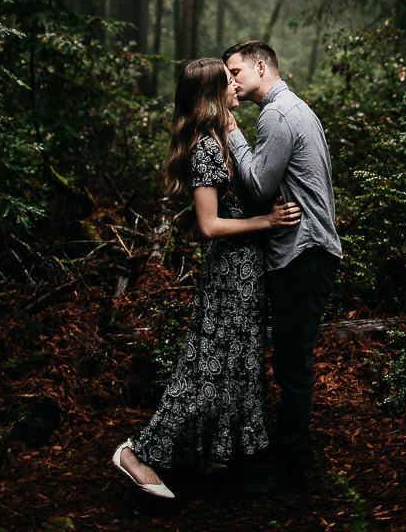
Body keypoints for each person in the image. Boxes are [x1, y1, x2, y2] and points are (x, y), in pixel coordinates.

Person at [112, 56, 302, 500]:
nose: (236, 85)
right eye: (228, 81)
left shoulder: (220, 138)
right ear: (211, 94)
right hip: (229, 274)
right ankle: (136, 453)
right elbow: (209, 226)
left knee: (237, 365)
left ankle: (215, 457)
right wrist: (268, 223)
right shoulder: (207, 147)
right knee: (205, 369)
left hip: (244, 273)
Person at [223, 39, 342, 496]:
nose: (230, 81)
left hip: (301, 253)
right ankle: (290, 455)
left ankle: (292, 467)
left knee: (292, 364)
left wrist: (232, 131)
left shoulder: (275, 115)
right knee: (293, 360)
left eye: (235, 72)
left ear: (259, 66)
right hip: (309, 252)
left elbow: (257, 187)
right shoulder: (295, 107)